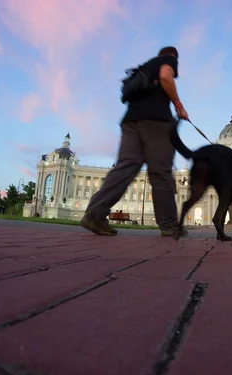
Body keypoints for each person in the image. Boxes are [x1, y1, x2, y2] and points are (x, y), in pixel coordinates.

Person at [81, 46, 189, 237]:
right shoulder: (168, 61)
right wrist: (178, 106)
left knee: (125, 167)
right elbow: (165, 77)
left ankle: (94, 214)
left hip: (130, 121)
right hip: (156, 122)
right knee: (161, 171)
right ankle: (169, 224)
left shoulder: (143, 67)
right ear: (172, 55)